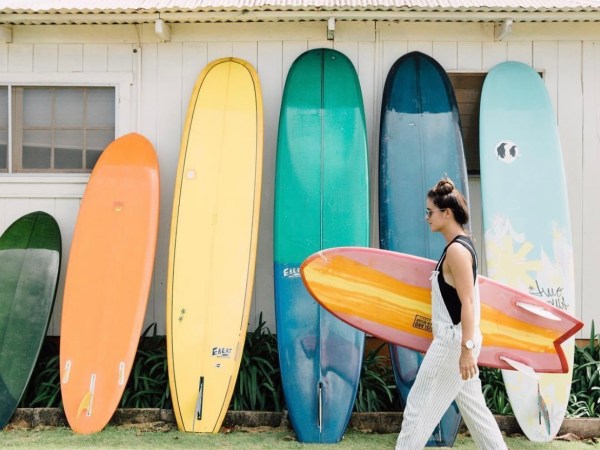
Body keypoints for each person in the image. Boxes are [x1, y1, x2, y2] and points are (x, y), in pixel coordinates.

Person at [395, 178, 508, 450]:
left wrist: (466, 349)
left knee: (418, 408)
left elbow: (468, 302)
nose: (426, 218)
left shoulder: (457, 250)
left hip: (452, 343)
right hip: (459, 340)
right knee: (476, 413)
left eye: (430, 212)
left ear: (447, 213)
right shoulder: (460, 245)